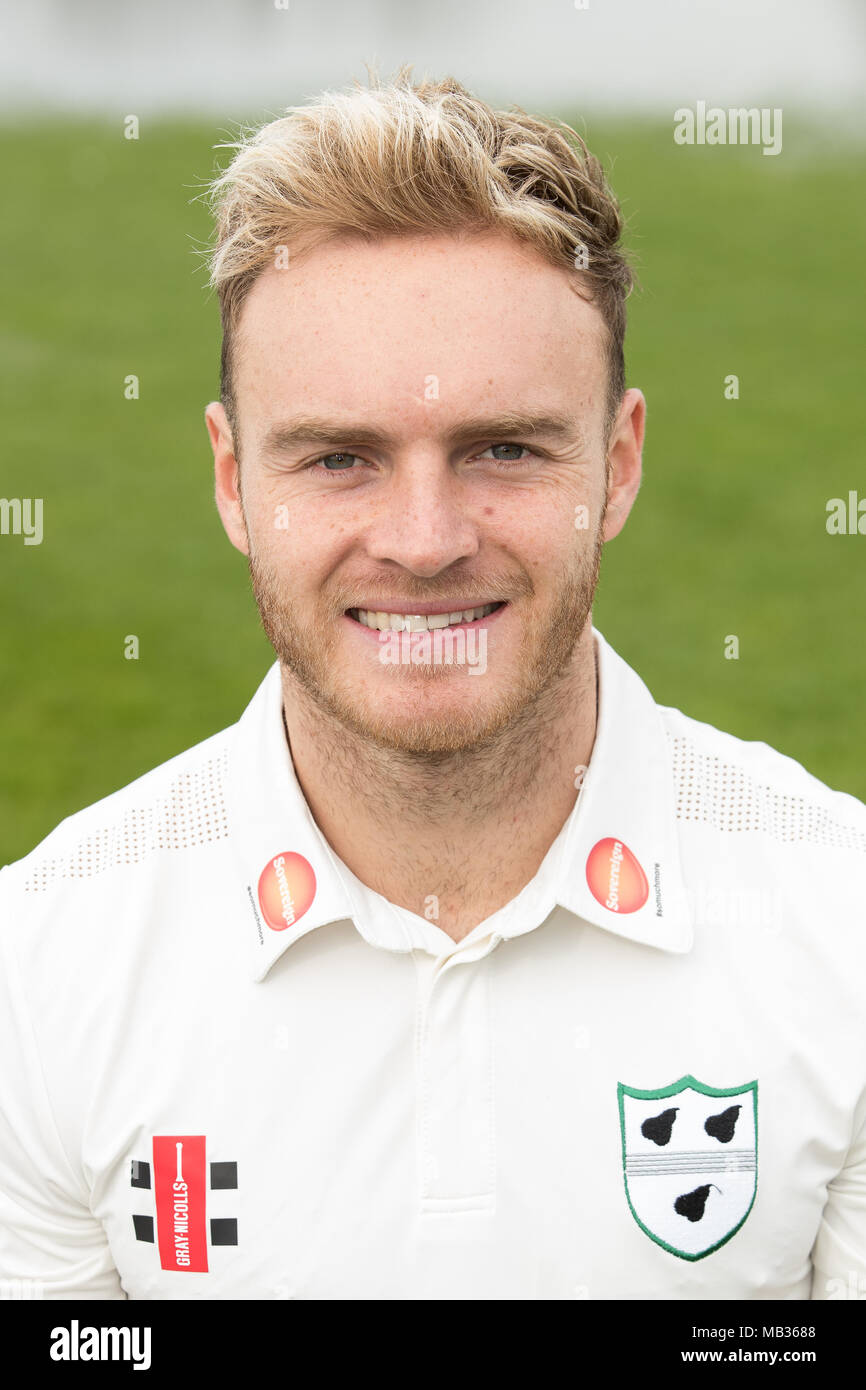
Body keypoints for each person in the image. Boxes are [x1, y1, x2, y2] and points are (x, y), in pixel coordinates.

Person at [1, 67, 864, 1301]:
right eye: (338, 457)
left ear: (615, 466)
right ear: (232, 479)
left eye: (502, 448)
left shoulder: (841, 924)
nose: (422, 537)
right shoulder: (40, 972)